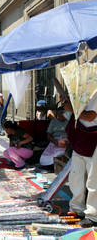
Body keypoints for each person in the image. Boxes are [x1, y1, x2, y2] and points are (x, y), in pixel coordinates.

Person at [64, 94, 97, 227]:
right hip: (81, 135)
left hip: (94, 137)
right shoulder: (81, 91)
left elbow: (91, 116)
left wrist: (73, 109)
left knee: (93, 180)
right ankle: (76, 209)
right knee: (76, 175)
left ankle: (93, 214)